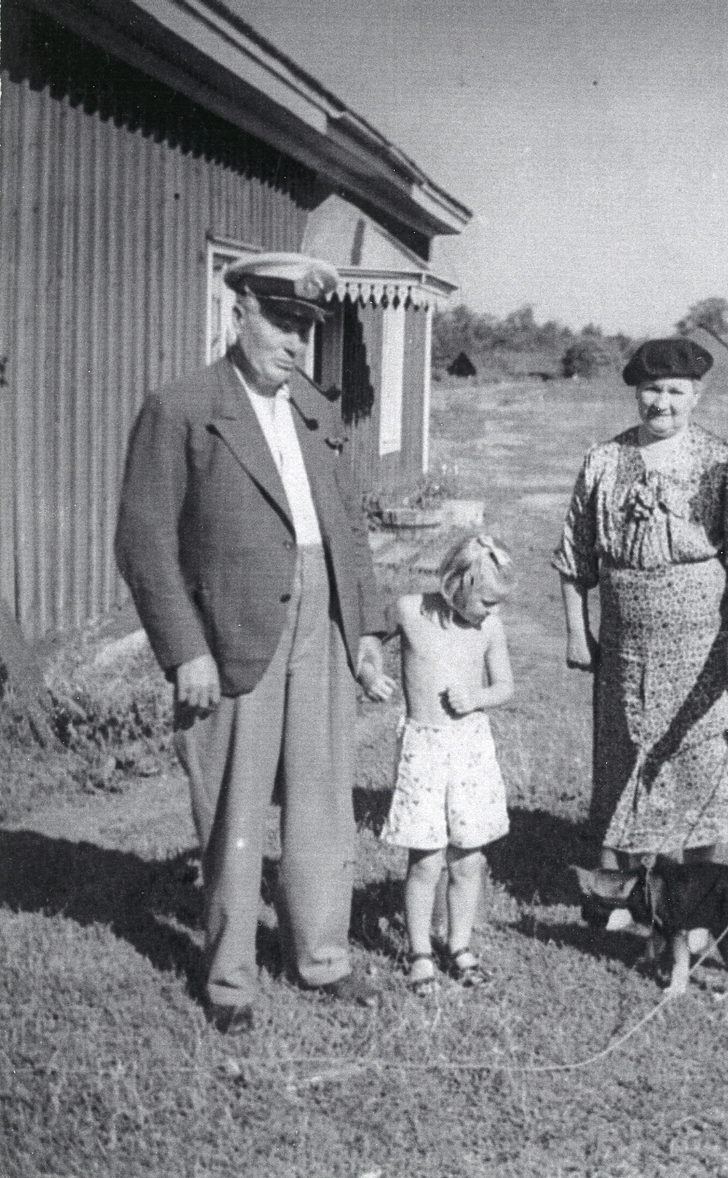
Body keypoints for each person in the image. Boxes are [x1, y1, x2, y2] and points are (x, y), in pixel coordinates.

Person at [115, 253, 392, 1034]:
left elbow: (347, 525)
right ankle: (230, 980)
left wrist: (365, 628)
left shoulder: (314, 408)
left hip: (322, 620)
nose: (296, 341)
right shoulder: (182, 407)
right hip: (231, 630)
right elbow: (143, 542)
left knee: (323, 799)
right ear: (239, 313)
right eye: (282, 322)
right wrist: (186, 650)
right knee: (233, 807)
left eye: (307, 327)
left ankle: (321, 958)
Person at [553, 338, 728, 882]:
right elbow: (574, 557)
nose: (662, 403)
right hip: (625, 646)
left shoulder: (722, 461)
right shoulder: (604, 460)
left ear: (697, 395)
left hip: (702, 648)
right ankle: (619, 889)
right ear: (636, 392)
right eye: (652, 389)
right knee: (623, 757)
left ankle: (693, 890)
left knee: (698, 760)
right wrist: (577, 632)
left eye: (676, 391)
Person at [372, 535, 516, 995]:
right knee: (426, 860)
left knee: (469, 859)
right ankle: (420, 953)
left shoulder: (489, 629)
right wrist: (369, 672)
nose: (493, 610)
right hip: (425, 751)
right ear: (456, 584)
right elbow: (367, 639)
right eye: (486, 601)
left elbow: (505, 686)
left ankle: (459, 946)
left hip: (470, 749)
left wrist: (477, 697)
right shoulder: (409, 610)